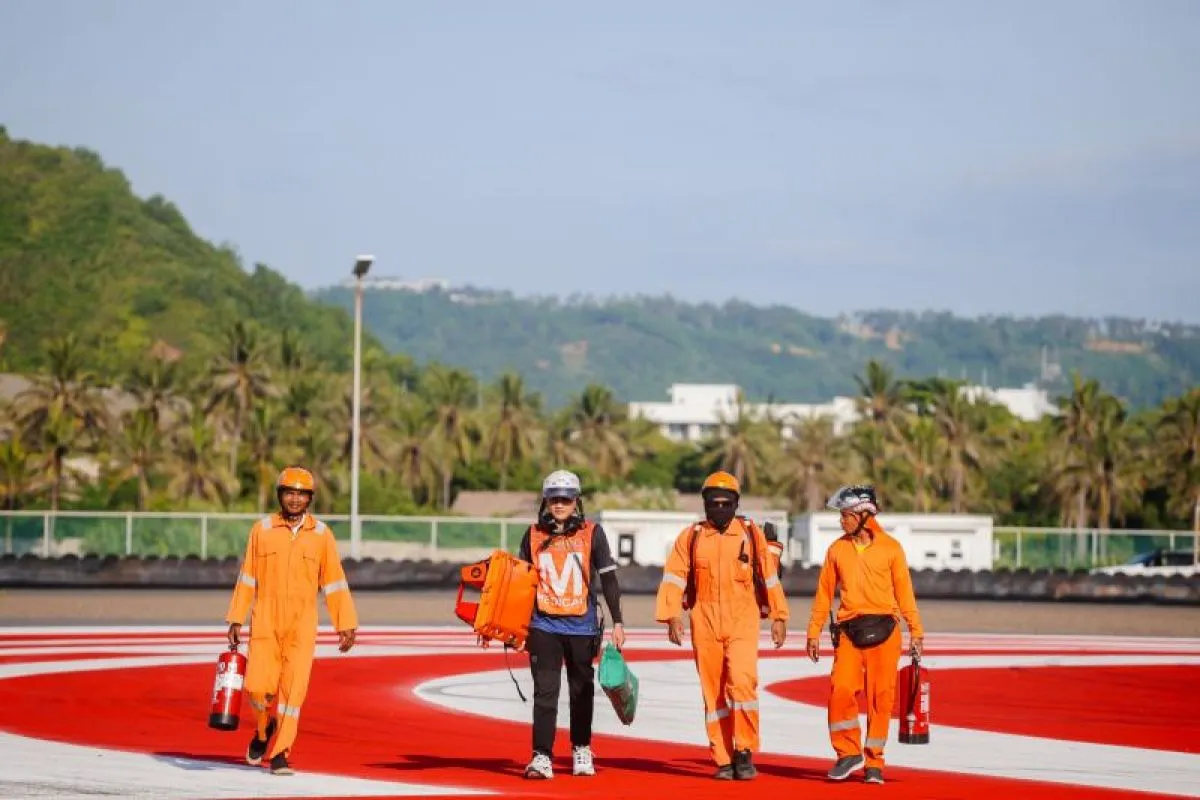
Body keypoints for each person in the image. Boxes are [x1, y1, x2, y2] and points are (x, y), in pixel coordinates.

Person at [224, 466, 359, 776]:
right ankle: (262, 731)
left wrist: (345, 624)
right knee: (258, 689)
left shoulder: (322, 535)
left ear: (309, 498)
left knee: (292, 693)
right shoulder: (262, 530)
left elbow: (335, 581)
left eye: (301, 494)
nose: (295, 499)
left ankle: (281, 752)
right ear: (280, 496)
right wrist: (236, 617)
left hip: (302, 624)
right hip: (266, 621)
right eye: (290, 493)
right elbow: (247, 577)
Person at [655, 471, 788, 780]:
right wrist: (672, 615)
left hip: (744, 618)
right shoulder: (691, 537)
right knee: (713, 693)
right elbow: (674, 576)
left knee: (742, 684)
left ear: (736, 504)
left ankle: (744, 751)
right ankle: (723, 758)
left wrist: (779, 616)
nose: (720, 508)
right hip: (704, 620)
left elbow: (769, 576)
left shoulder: (751, 534)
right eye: (713, 503)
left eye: (726, 503)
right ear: (704, 504)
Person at [805, 484, 924, 785]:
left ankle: (874, 762)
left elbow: (904, 592)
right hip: (849, 632)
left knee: (880, 698)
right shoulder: (836, 550)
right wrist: (813, 631)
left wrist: (916, 631)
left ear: (863, 515)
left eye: (845, 515)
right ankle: (847, 753)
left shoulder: (891, 548)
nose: (841, 521)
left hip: (886, 632)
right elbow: (823, 594)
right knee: (841, 690)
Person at [518, 469, 626, 780]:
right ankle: (541, 756)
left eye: (566, 498)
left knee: (582, 692)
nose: (560, 504)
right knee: (545, 692)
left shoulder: (593, 533)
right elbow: (521, 584)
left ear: (576, 501)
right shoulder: (532, 534)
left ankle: (581, 748)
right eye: (554, 498)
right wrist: (515, 628)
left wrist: (618, 621)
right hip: (544, 626)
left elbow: (608, 579)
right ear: (546, 501)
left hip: (582, 627)